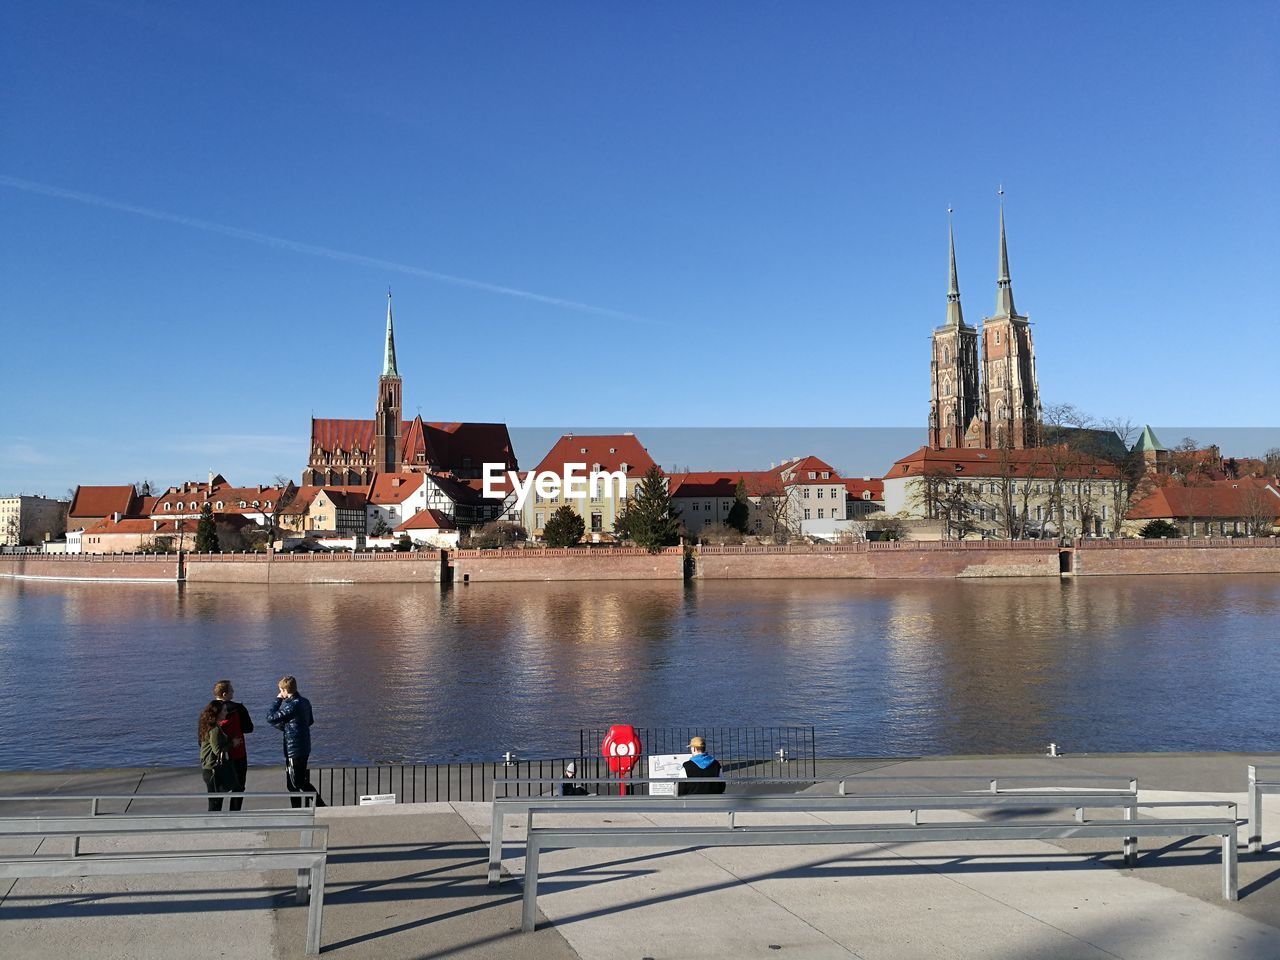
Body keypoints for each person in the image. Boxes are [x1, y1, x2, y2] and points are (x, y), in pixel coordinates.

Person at [266, 675, 324, 808]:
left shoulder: (292, 706)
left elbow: (270, 717)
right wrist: (289, 727)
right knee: (298, 781)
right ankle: (315, 805)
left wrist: (277, 700)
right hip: (303, 746)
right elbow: (310, 721)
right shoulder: (305, 702)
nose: (280, 693)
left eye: (281, 690)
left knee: (295, 784)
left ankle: (313, 807)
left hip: (294, 749)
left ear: (285, 690)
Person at [213, 680, 253, 811]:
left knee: (219, 789)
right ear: (225, 694)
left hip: (218, 755)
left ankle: (215, 816)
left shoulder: (210, 710)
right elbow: (249, 728)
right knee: (239, 786)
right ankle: (234, 814)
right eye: (232, 690)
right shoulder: (238, 709)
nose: (234, 692)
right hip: (238, 752)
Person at [198, 699, 237, 812]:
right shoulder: (214, 729)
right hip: (212, 770)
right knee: (215, 802)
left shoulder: (209, 726)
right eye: (224, 711)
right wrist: (232, 744)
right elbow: (217, 750)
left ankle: (214, 823)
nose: (226, 712)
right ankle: (212, 824)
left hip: (209, 768)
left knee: (216, 800)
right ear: (217, 713)